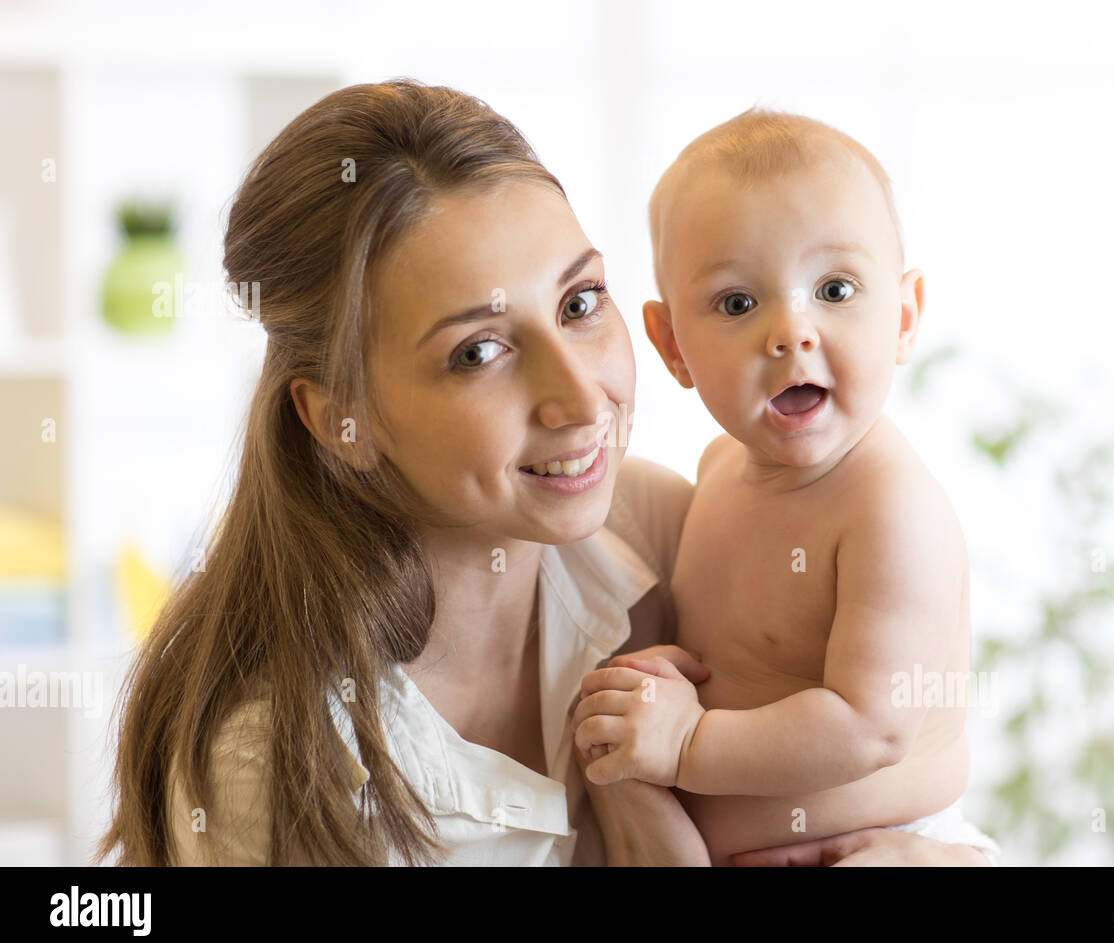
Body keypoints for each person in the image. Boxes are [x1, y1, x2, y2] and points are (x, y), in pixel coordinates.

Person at [96, 81, 983, 866]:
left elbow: (894, 771)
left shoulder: (662, 528)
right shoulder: (275, 769)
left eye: (579, 303)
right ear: (343, 421)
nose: (580, 396)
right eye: (478, 351)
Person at [572, 108, 1001, 865]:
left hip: (887, 847)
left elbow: (872, 726)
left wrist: (691, 740)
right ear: (673, 347)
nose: (790, 332)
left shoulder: (890, 509)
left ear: (903, 318)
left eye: (834, 290)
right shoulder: (712, 477)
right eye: (738, 303)